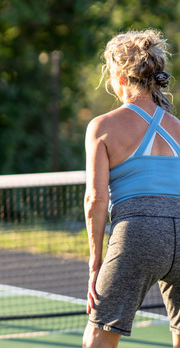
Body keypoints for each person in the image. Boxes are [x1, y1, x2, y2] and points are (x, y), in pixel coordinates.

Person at [83, 29, 180, 348]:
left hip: (138, 233)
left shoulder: (103, 126)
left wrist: (96, 261)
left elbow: (95, 200)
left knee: (98, 336)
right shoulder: (178, 127)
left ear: (120, 76)